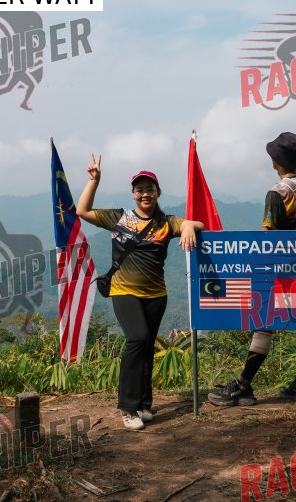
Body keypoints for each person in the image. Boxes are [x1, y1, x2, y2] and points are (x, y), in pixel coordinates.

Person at [76, 154, 204, 430]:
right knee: (138, 339)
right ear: (133, 194)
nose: (145, 194)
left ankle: (144, 404)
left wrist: (188, 227)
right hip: (124, 291)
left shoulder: (166, 222)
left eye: (150, 189)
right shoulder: (119, 218)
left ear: (158, 192)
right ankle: (128, 407)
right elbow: (82, 211)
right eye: (140, 190)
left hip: (156, 295)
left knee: (147, 346)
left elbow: (198, 224)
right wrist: (94, 181)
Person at [208, 132, 296, 407]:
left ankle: (243, 386)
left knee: (263, 324)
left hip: (278, 267)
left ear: (276, 160)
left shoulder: (277, 192)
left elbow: (267, 236)